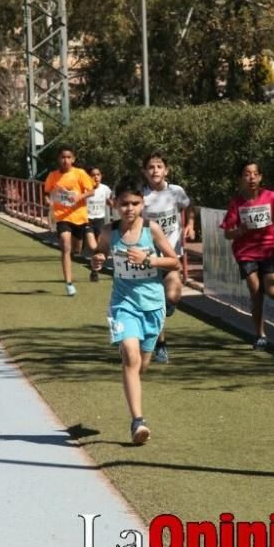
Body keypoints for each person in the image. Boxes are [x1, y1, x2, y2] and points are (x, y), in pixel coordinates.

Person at [90, 176, 179, 445]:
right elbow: (100, 253)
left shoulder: (151, 230)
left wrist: (148, 259)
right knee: (130, 356)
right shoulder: (109, 230)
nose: (129, 208)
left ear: (142, 204)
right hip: (123, 304)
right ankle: (138, 422)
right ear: (115, 204)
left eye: (135, 203)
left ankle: (133, 388)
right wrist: (98, 260)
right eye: (124, 203)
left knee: (141, 364)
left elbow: (174, 262)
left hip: (152, 305)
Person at [219, 160, 274, 350]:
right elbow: (227, 233)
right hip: (246, 253)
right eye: (247, 174)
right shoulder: (236, 202)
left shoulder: (271, 197)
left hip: (268, 250)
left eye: (255, 173)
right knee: (256, 293)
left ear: (260, 177)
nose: (251, 177)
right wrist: (239, 232)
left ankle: (264, 282)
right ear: (241, 178)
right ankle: (260, 334)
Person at [141, 151, 195, 363]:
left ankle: (168, 305)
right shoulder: (141, 197)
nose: (155, 170)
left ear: (166, 170)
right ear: (145, 172)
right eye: (151, 167)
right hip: (149, 258)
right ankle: (160, 344)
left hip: (172, 255)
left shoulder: (176, 192)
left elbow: (189, 206)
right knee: (156, 304)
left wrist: (190, 225)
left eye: (159, 166)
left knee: (172, 297)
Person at [43, 146, 96, 296]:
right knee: (65, 245)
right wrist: (49, 202)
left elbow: (91, 191)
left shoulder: (80, 173)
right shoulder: (53, 176)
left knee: (76, 250)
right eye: (62, 157)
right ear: (58, 159)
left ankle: (75, 255)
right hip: (62, 217)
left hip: (79, 217)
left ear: (73, 159)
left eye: (68, 157)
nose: (65, 160)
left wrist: (79, 197)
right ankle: (68, 283)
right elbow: (47, 193)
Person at [85, 166, 113, 282]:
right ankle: (94, 268)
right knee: (93, 246)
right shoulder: (84, 189)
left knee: (99, 248)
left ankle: (94, 271)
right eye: (93, 175)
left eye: (98, 175)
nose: (96, 177)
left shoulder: (105, 189)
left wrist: (116, 205)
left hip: (100, 220)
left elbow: (108, 201)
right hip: (87, 221)